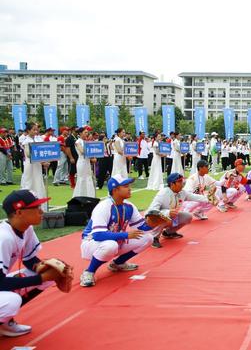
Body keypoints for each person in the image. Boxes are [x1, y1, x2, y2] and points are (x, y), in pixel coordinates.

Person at [0, 190, 67, 337]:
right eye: (36, 208)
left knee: (48, 273)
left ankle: (4, 323)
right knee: (11, 301)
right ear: (19, 212)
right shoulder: (3, 237)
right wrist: (42, 277)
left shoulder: (26, 228)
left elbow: (30, 260)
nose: (41, 211)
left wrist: (45, 268)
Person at [79, 175, 166, 287]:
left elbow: (141, 227)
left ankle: (118, 264)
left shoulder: (129, 206)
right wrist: (125, 235)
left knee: (148, 238)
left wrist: (153, 224)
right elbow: (98, 235)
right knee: (111, 245)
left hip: (115, 240)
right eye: (125, 186)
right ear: (115, 190)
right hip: (91, 243)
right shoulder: (104, 206)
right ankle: (89, 272)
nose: (129, 188)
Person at [147, 173, 210, 248]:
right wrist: (167, 213)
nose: (182, 183)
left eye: (182, 181)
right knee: (161, 216)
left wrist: (208, 198)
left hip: (171, 217)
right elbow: (152, 211)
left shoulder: (182, 192)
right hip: (154, 219)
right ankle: (154, 237)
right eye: (179, 181)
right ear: (172, 184)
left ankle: (168, 233)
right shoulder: (163, 194)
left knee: (188, 216)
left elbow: (195, 197)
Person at [19, 122, 48, 212]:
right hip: (30, 165)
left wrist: (45, 161)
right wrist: (42, 162)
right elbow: (29, 155)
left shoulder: (37, 140)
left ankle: (39, 206)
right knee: (29, 183)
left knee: (38, 182)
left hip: (37, 165)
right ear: (28, 131)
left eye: (37, 129)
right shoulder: (27, 141)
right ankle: (27, 206)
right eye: (34, 130)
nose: (36, 131)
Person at [73, 126, 96, 198]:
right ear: (80, 133)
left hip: (87, 162)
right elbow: (82, 151)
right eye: (85, 132)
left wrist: (92, 157)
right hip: (81, 162)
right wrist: (91, 156)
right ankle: (80, 196)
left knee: (88, 177)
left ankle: (89, 195)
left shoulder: (85, 142)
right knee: (82, 178)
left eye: (87, 132)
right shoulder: (78, 142)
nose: (87, 134)